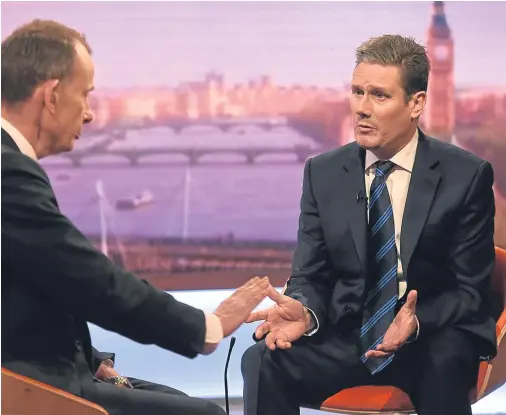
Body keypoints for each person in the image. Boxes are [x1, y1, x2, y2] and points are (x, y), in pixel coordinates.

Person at [1, 19, 273, 415]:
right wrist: (205, 327)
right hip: (30, 384)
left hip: (48, 368)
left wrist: (95, 360)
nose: (91, 114)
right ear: (52, 96)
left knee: (180, 403)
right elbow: (89, 278)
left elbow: (39, 280)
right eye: (86, 95)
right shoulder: (9, 172)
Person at [241, 34, 498, 415]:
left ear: (416, 103)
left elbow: (470, 291)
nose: (362, 108)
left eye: (379, 95)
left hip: (429, 336)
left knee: (445, 364)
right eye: (357, 92)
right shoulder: (323, 173)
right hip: (348, 335)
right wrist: (307, 312)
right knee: (262, 359)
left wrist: (416, 321)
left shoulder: (465, 175)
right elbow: (310, 273)